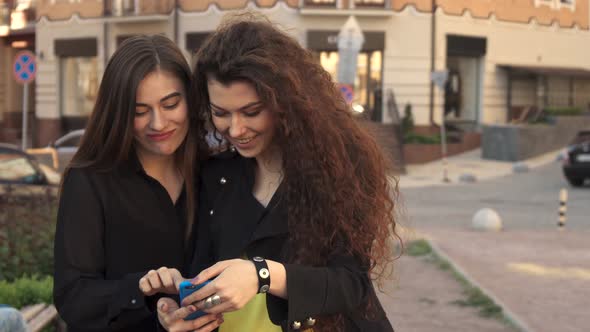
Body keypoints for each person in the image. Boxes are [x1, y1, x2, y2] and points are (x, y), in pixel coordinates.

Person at [141, 14, 399, 331]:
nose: (235, 129)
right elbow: (204, 266)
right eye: (220, 113)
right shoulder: (217, 170)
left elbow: (351, 284)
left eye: (251, 112)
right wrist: (182, 305)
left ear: (287, 103)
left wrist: (262, 274)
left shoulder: (343, 165)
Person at [53, 35, 219, 332]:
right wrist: (141, 291)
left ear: (190, 99)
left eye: (170, 104)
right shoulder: (90, 180)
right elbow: (73, 297)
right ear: (118, 112)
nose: (158, 123)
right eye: (140, 111)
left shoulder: (215, 173)